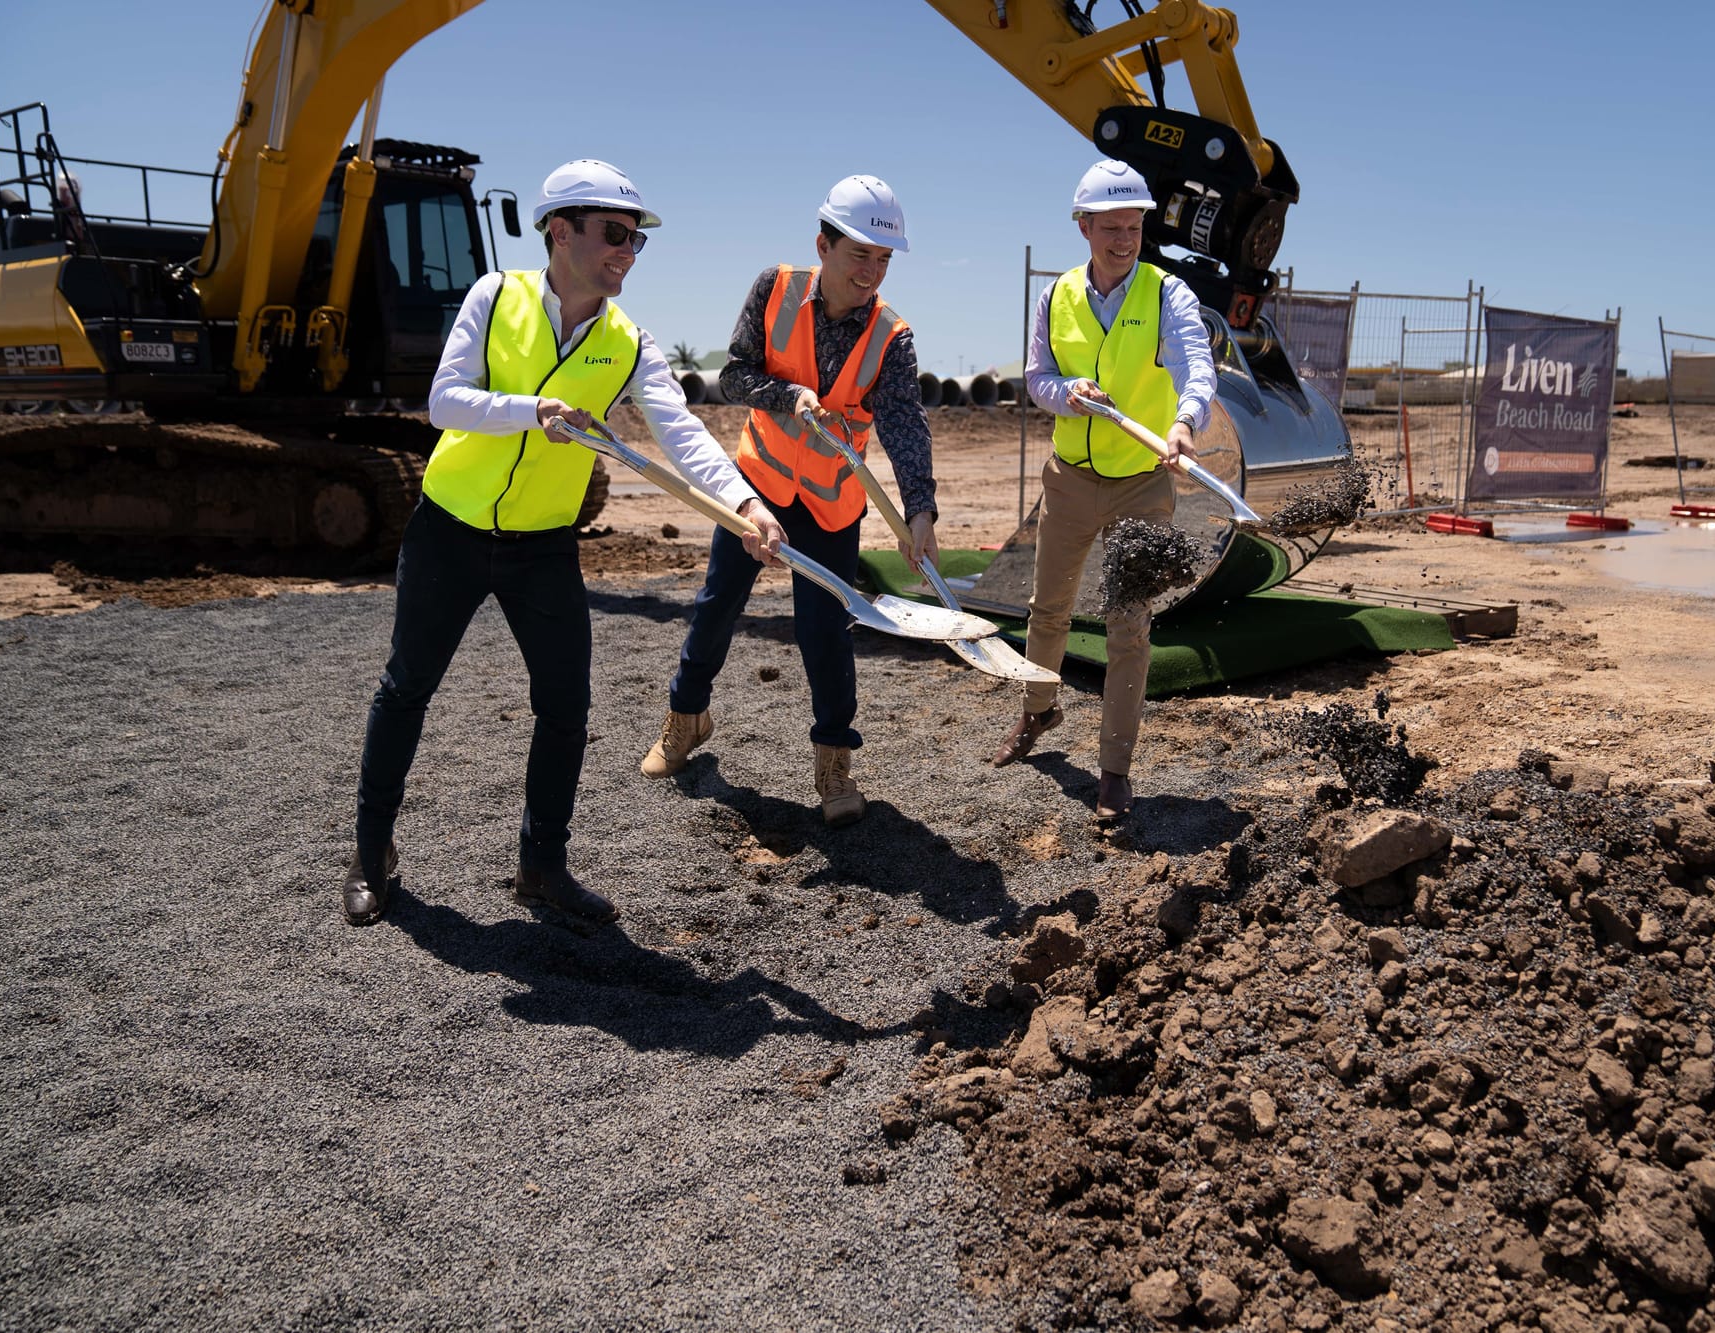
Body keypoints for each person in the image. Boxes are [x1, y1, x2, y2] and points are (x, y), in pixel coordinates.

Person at [342, 159, 787, 927]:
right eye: (615, 234)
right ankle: (371, 850)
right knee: (406, 687)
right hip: (449, 528)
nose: (628, 251)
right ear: (560, 229)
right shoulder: (494, 295)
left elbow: (681, 433)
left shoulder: (627, 342)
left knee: (565, 705)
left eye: (636, 241)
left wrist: (745, 502)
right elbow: (445, 401)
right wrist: (530, 409)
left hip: (541, 547)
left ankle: (542, 865)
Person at [640, 176, 939, 829]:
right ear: (822, 244)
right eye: (859, 253)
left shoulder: (893, 337)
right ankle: (686, 719)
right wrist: (790, 395)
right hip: (760, 486)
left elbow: (905, 426)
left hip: (832, 505)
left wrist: (921, 509)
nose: (872, 272)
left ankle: (834, 763)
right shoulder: (773, 288)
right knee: (718, 604)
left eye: (884, 259)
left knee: (823, 634)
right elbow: (734, 375)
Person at [988, 159, 1215, 823]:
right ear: (1083, 226)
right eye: (1111, 226)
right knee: (1047, 609)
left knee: (1129, 628)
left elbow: (1198, 366)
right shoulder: (1054, 297)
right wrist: (1069, 395)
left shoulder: (1166, 294)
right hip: (1068, 479)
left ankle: (1115, 768)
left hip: (1142, 484)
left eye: (1135, 226)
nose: (1124, 239)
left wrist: (1183, 421)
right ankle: (1038, 712)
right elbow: (1037, 379)